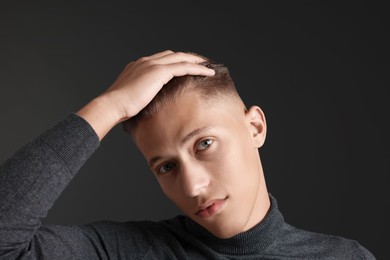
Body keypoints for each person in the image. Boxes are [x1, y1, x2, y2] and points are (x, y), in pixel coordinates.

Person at [0, 50, 375, 259]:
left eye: (204, 144)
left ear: (255, 127)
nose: (193, 186)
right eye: (166, 166)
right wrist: (109, 107)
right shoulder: (125, 253)